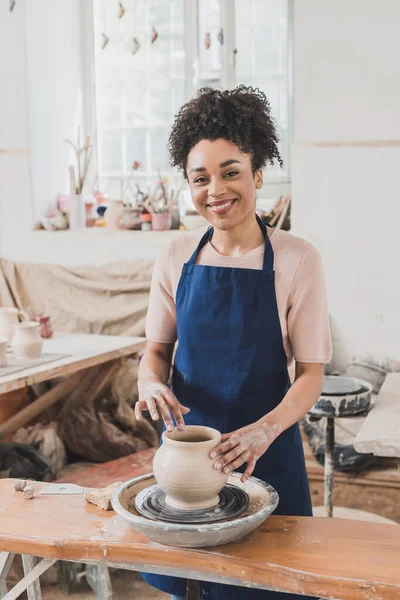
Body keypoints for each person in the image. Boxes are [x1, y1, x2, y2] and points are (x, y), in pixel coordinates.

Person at [135, 86, 332, 600]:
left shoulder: (297, 259)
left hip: (266, 453)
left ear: (258, 174)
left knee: (267, 587)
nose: (216, 190)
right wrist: (148, 381)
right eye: (200, 178)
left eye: (231, 171)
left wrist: (264, 431)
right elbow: (155, 351)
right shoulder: (175, 253)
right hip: (185, 464)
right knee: (195, 587)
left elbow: (311, 373)